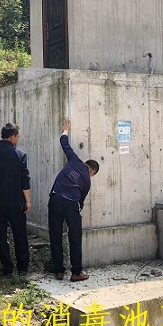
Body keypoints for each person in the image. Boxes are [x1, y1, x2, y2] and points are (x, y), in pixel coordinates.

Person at [48, 119, 99, 282]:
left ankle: (59, 271)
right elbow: (80, 202)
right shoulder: (87, 181)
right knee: (75, 238)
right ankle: (76, 273)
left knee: (55, 235)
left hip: (55, 198)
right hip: (71, 203)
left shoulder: (74, 160)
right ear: (92, 171)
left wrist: (66, 129)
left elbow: (64, 143)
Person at [0, 123, 32, 276]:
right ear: (13, 136)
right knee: (20, 234)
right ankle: (22, 267)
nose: (18, 139)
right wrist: (28, 201)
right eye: (17, 136)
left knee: (0, 235)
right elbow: (24, 181)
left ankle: (7, 268)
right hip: (15, 202)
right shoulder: (20, 155)